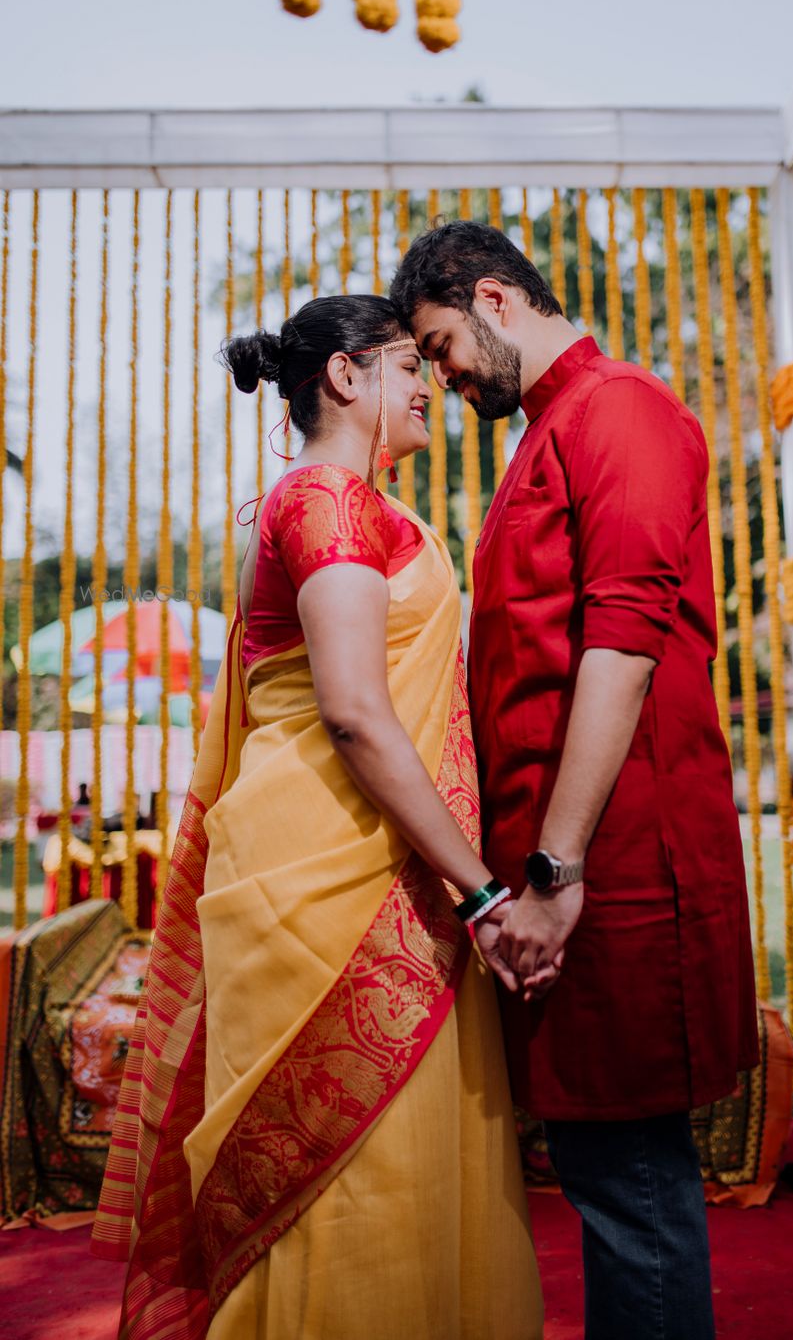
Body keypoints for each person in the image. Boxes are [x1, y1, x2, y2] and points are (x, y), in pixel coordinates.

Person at [92, 295, 544, 1340]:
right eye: (408, 366)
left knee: (411, 1164)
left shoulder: (349, 503)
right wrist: (478, 893)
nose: (431, 385)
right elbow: (351, 712)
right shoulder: (325, 503)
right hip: (327, 878)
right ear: (346, 378)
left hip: (386, 861)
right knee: (342, 1182)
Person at [391, 222, 760, 1340]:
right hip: (566, 863)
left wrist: (555, 867)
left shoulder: (620, 413)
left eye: (442, 346)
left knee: (629, 1179)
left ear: (494, 298)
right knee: (604, 1171)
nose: (444, 379)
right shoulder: (552, 427)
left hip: (616, 863)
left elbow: (621, 646)